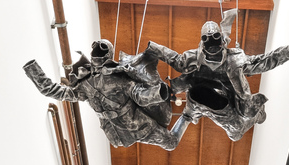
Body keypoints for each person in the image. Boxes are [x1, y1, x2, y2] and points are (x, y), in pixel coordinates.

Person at [145, 9, 289, 142]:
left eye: (216, 41)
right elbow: (174, 59)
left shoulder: (234, 59)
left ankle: (257, 113)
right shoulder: (192, 59)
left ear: (221, 42)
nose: (213, 50)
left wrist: (286, 52)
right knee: (234, 133)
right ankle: (253, 114)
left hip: (233, 95)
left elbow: (262, 62)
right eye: (208, 43)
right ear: (202, 44)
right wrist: (153, 48)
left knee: (240, 125)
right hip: (200, 94)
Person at [24, 39, 183, 150]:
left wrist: (159, 92)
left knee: (171, 143)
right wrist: (34, 71)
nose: (97, 53)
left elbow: (140, 96)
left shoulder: (118, 78)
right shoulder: (85, 84)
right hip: (122, 132)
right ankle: (189, 115)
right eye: (98, 49)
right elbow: (51, 91)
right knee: (171, 143)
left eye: (101, 49)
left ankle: (188, 116)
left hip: (137, 127)